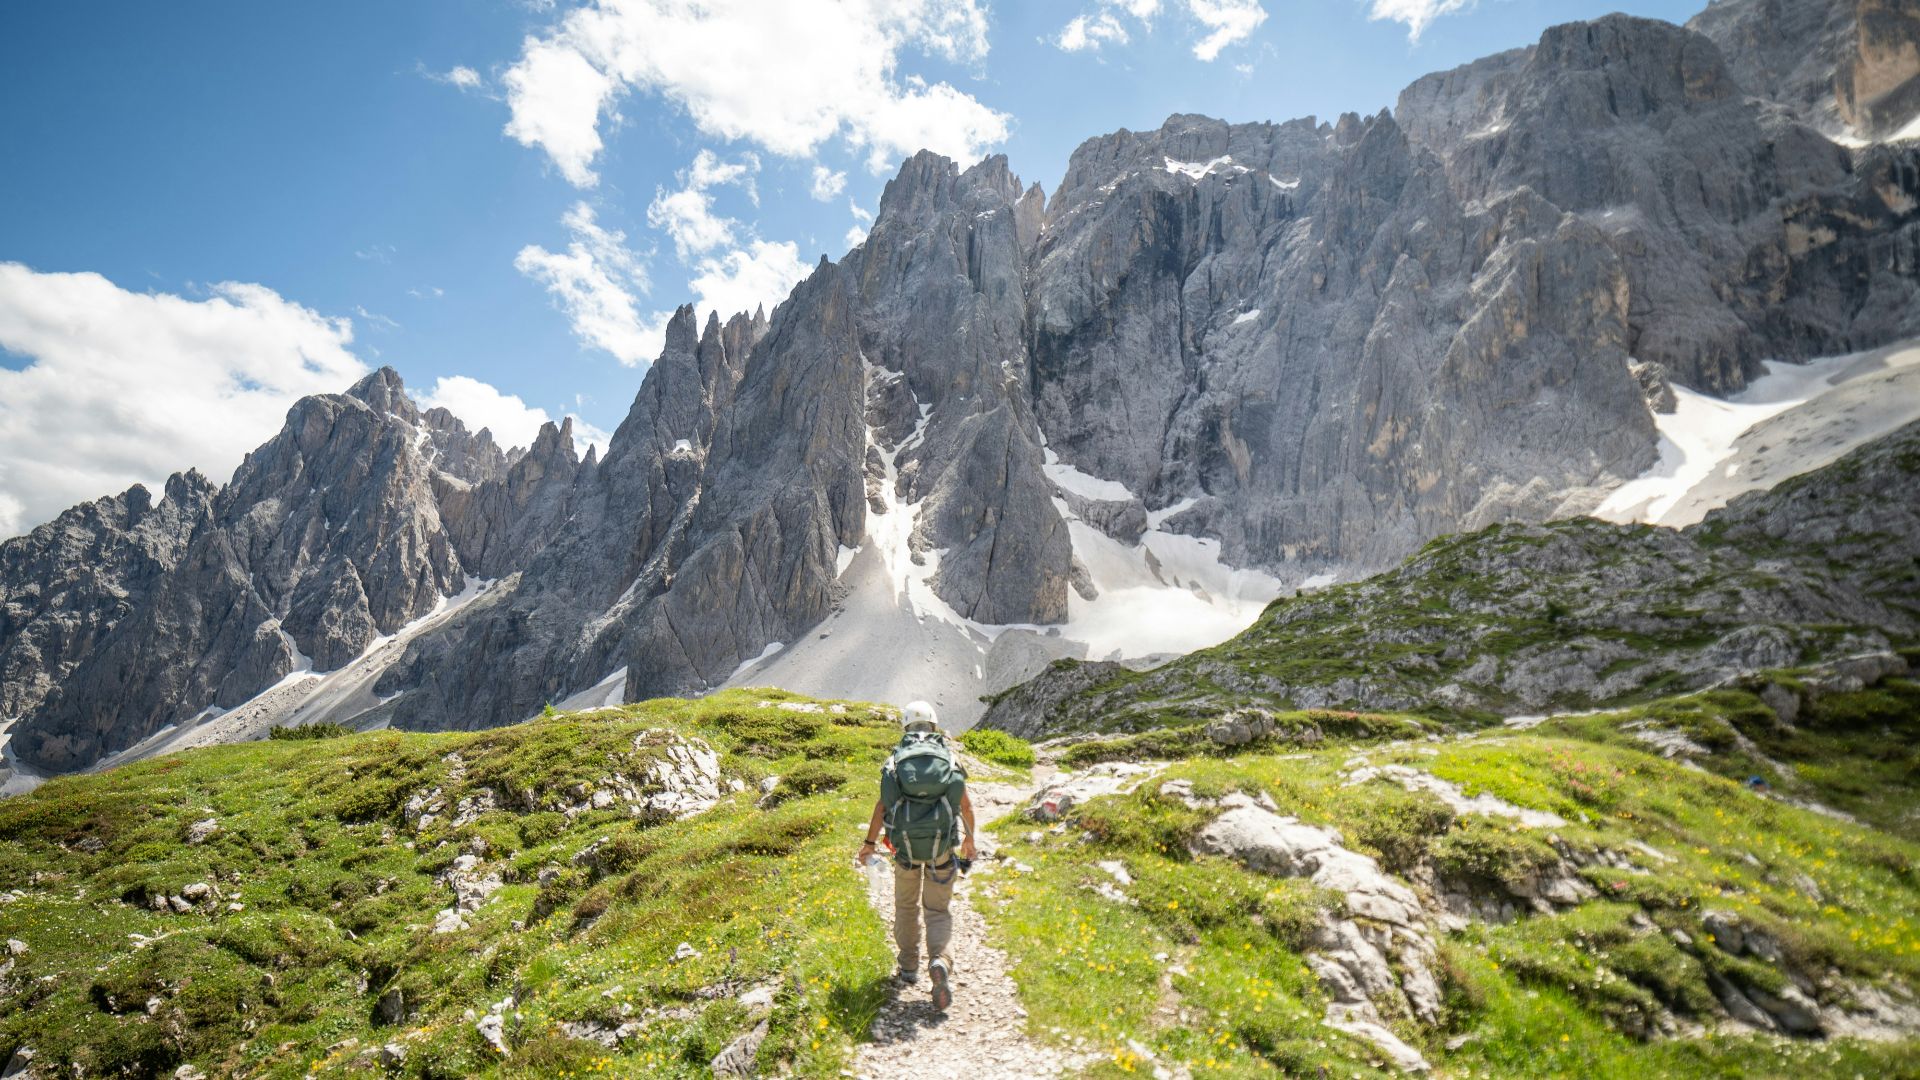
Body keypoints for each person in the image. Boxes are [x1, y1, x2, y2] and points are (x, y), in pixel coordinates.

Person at [856, 700, 976, 1010]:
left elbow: (882, 807)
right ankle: (940, 961)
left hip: (905, 851)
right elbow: (965, 806)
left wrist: (869, 843)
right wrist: (969, 843)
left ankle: (909, 966)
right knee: (938, 910)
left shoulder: (895, 762)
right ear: (934, 726)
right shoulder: (949, 759)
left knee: (906, 906)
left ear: (906, 727)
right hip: (941, 850)